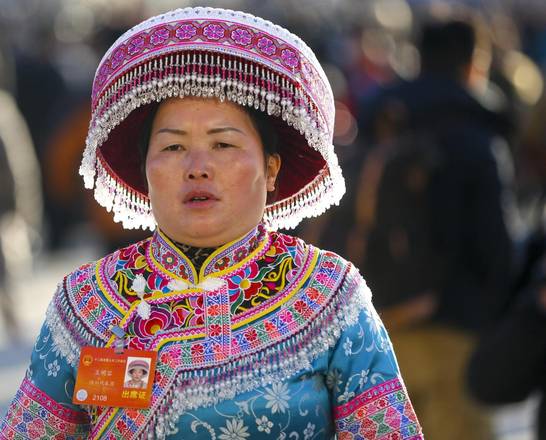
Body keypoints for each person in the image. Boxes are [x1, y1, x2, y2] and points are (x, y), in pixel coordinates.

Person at [0, 7, 422, 439]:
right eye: (173, 147)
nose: (197, 167)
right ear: (144, 168)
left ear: (271, 168)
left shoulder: (328, 294)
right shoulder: (88, 302)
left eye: (222, 144)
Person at [324, 17, 513, 440]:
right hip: (453, 327)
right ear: (473, 64)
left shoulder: (379, 120)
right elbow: (494, 244)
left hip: (377, 322)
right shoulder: (477, 137)